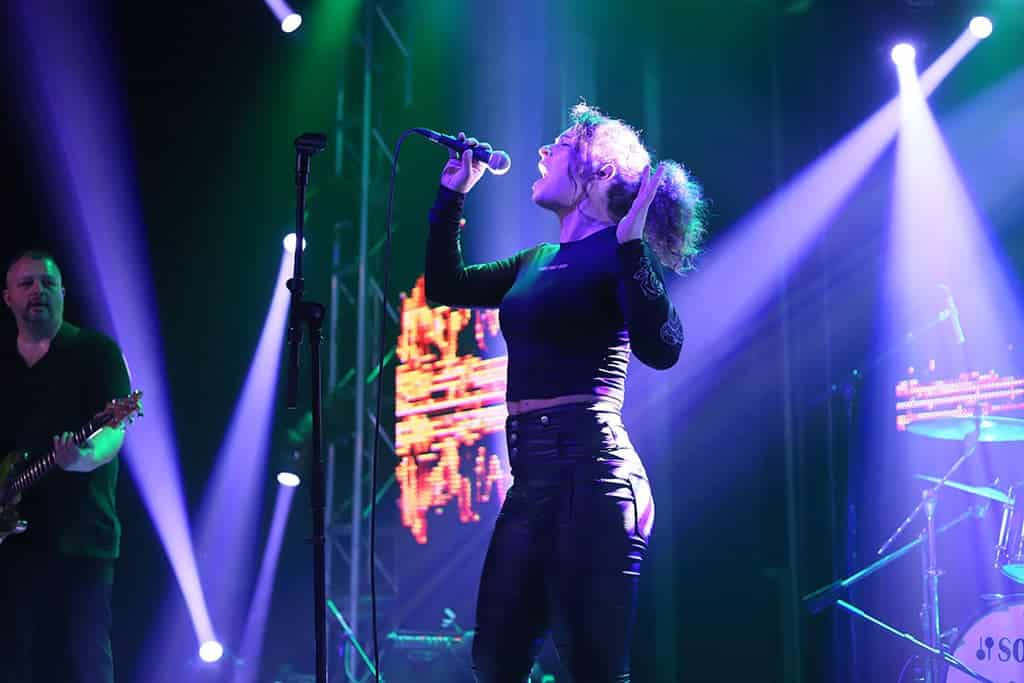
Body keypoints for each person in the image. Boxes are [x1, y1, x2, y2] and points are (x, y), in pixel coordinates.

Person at [424, 103, 707, 682]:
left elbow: (664, 348)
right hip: (531, 480)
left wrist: (632, 248)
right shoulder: (537, 261)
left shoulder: (618, 254)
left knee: (593, 670)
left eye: (560, 144)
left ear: (600, 171)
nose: (542, 152)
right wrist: (452, 196)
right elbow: (445, 286)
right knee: (494, 661)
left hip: (594, 475)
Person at [0, 249, 132, 683]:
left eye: (48, 283)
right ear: (8, 298)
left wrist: (84, 458)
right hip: (12, 545)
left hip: (81, 540)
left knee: (83, 661)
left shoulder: (95, 352)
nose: (38, 290)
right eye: (26, 283)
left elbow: (113, 431)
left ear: (62, 293)